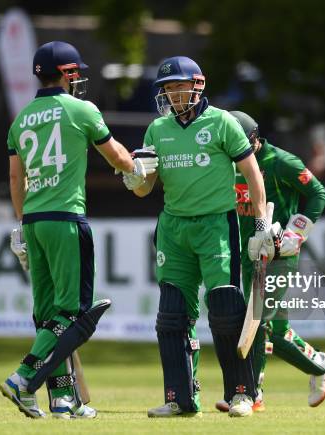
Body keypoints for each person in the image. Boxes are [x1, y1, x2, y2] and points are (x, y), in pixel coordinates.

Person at [1, 41, 157, 419]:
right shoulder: (81, 109)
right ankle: (23, 379)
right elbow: (118, 157)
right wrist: (140, 170)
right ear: (68, 73)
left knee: (49, 316)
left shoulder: (20, 120)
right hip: (66, 218)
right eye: (77, 72)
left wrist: (21, 226)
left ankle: (62, 401)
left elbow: (15, 178)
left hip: (34, 222)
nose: (79, 78)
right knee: (72, 314)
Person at [125, 56, 274, 418]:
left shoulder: (222, 122)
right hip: (174, 228)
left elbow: (254, 176)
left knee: (225, 310)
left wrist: (259, 227)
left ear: (198, 84)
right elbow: (145, 189)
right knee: (172, 315)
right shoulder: (157, 130)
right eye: (167, 89)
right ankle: (180, 397)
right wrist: (135, 179)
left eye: (179, 86)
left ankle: (241, 393)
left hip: (215, 226)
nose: (174, 95)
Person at [214, 111, 325, 413]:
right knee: (276, 329)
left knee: (258, 322)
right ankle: (321, 363)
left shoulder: (281, 161)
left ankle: (251, 393)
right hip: (249, 254)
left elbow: (318, 192)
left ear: (254, 139)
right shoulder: (227, 163)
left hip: (280, 253)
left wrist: (298, 232)